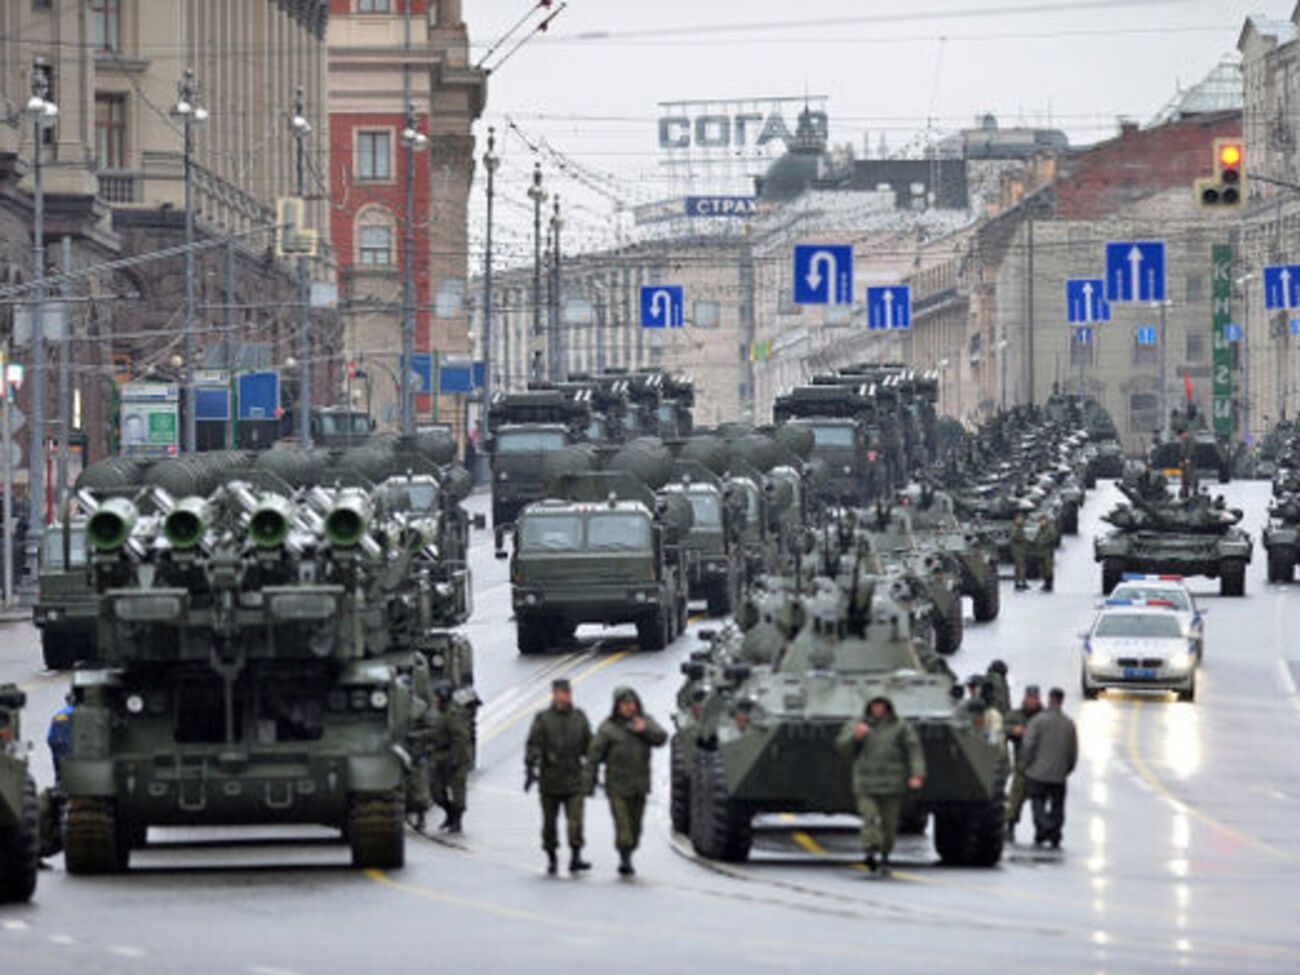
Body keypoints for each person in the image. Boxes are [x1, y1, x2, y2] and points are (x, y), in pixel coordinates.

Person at [835, 696, 925, 876]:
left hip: (892, 782)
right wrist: (855, 737)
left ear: (887, 707)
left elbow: (913, 749)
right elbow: (842, 748)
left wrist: (917, 773)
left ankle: (884, 855)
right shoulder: (858, 724)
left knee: (889, 824)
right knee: (870, 817)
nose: (877, 709)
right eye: (874, 705)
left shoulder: (900, 726)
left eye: (881, 705)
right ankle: (870, 849)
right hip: (866, 782)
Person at [585, 686, 667, 877]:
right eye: (624, 704)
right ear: (617, 706)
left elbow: (661, 738)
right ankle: (625, 859)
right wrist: (588, 783)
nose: (629, 708)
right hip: (617, 787)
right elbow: (593, 756)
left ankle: (629, 851)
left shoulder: (644, 721)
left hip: (639, 785)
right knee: (624, 829)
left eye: (631, 704)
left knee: (636, 828)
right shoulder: (608, 729)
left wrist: (644, 729)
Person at [525, 678, 593, 875]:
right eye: (558, 693)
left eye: (565, 693)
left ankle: (575, 856)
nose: (562, 696)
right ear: (553, 695)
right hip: (550, 780)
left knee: (576, 822)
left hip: (574, 778)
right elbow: (533, 744)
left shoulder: (579, 717)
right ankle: (552, 857)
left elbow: (589, 744)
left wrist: (595, 762)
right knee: (549, 824)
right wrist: (534, 761)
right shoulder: (543, 719)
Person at [1021, 687, 1078, 848]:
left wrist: (1028, 763)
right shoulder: (1069, 723)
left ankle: (1044, 827)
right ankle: (1055, 835)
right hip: (1059, 774)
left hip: (1038, 772)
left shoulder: (1038, 721)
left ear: (1050, 699)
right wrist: (1067, 769)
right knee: (1058, 805)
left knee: (1037, 801)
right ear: (1062, 701)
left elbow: (1028, 745)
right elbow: (1073, 751)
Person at [428, 682, 472, 834]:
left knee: (458, 789)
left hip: (456, 755)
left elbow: (460, 738)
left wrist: (456, 759)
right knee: (436, 792)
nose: (435, 699)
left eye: (437, 696)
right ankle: (449, 813)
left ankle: (457, 820)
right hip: (440, 754)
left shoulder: (453, 714)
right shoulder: (439, 712)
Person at [1004, 684, 1043, 842]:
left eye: (1035, 698)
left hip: (1040, 764)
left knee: (1039, 800)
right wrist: (1014, 730)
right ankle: (1010, 825)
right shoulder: (1016, 715)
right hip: (1021, 763)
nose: (1032, 701)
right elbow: (1002, 727)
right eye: (1030, 698)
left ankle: (1041, 829)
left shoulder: (1043, 717)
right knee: (1016, 796)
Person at [47, 694, 74, 783]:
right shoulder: (76, 712)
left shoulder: (59, 713)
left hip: (55, 743)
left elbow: (51, 735)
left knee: (59, 771)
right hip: (67, 744)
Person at [1036, 514, 1057, 593]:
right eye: (1041, 521)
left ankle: (1049, 584)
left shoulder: (1050, 528)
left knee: (1048, 568)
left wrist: (1045, 542)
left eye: (1043, 521)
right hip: (1041, 551)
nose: (1042, 522)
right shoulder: (1041, 529)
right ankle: (1045, 583)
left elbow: (1053, 537)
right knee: (1043, 568)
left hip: (1047, 551)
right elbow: (1038, 537)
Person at [1010, 511, 1029, 591]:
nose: (1021, 520)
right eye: (1019, 519)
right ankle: (1021, 583)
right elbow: (1014, 537)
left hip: (1021, 550)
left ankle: (1020, 582)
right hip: (1018, 550)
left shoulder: (1019, 528)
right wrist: (1023, 539)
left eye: (1022, 519)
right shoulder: (1016, 528)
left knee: (1020, 567)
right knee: (1020, 567)